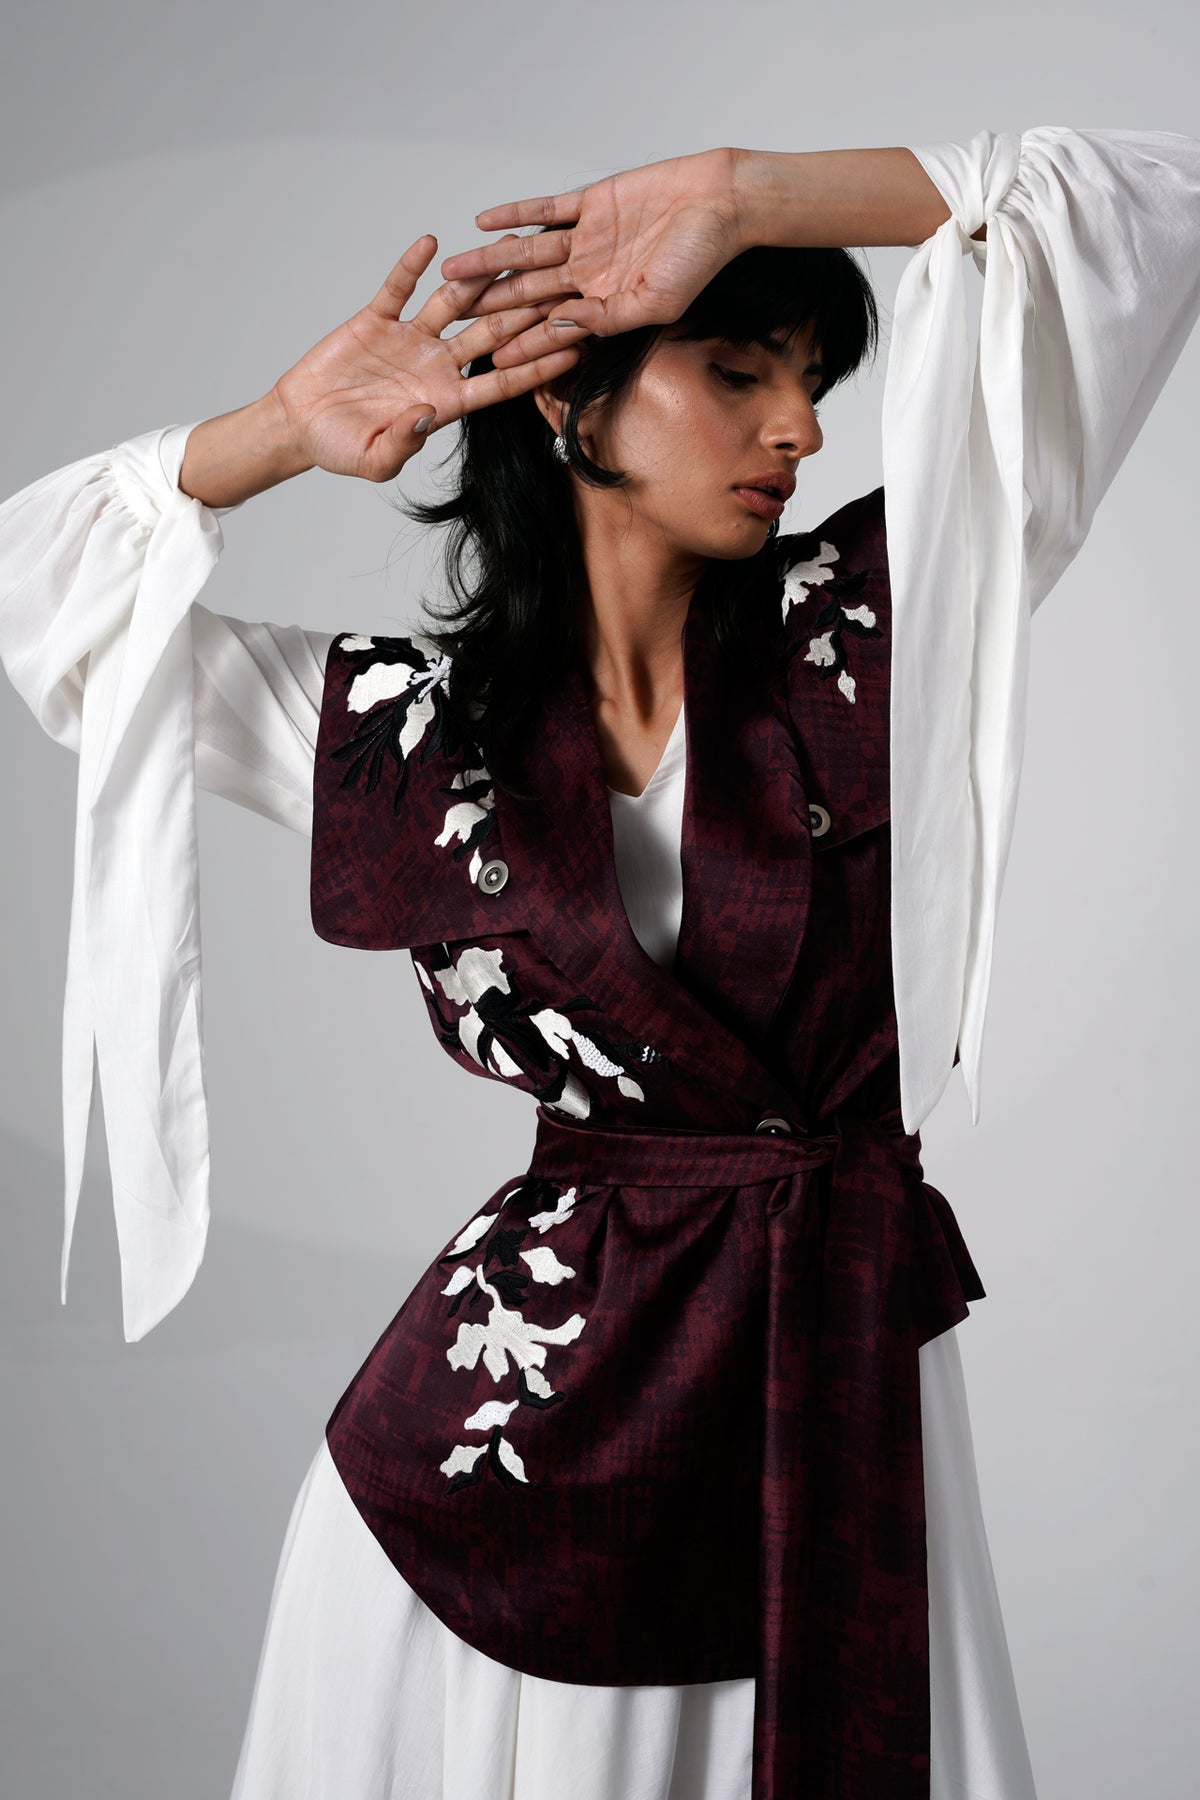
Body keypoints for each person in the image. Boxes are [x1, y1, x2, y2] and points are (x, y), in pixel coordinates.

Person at [1, 129, 1198, 1800]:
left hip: (832, 1355)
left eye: (811, 382)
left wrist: (749, 195)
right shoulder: (403, 734)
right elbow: (43, 603)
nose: (801, 429)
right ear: (569, 399)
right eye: (738, 372)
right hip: (502, 1450)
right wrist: (274, 431)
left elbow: (1152, 205)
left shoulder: (883, 619)